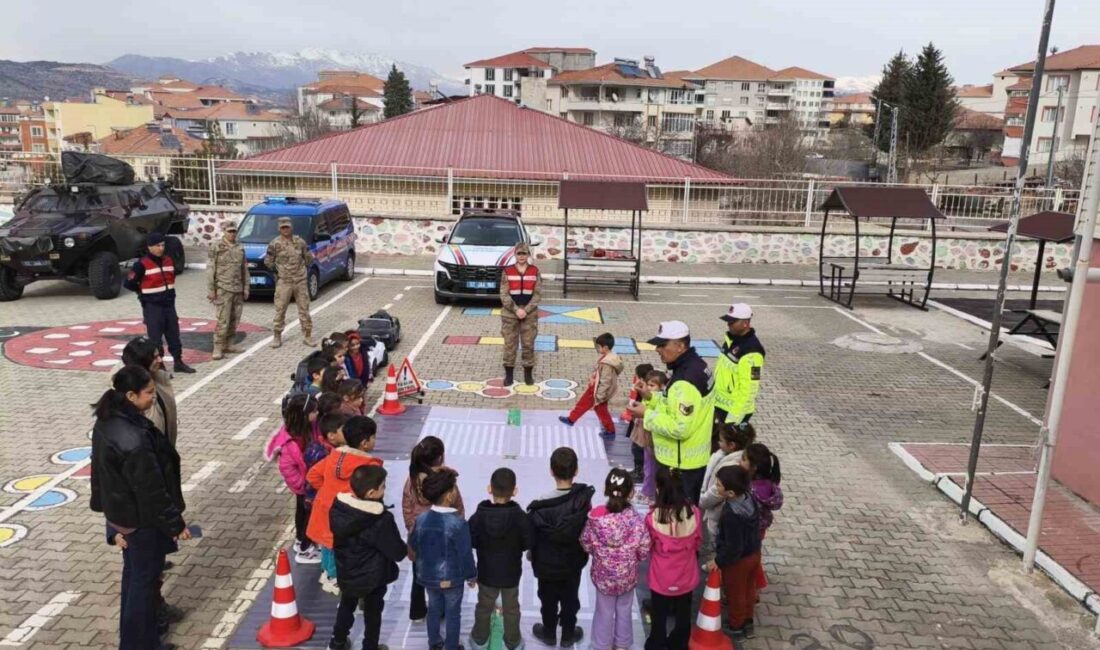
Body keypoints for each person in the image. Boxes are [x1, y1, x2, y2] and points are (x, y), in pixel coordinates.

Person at [90, 365, 191, 650]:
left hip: (124, 518)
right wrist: (176, 524)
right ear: (131, 395)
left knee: (134, 581)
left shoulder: (107, 422)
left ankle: (145, 640)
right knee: (142, 588)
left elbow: (99, 476)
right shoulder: (133, 438)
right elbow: (152, 490)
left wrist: (110, 523)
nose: (152, 398)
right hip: (141, 522)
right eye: (149, 393)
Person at [626, 321, 714, 504]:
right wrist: (650, 396)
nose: (658, 349)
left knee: (674, 523)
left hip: (681, 466)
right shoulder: (691, 366)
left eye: (662, 345)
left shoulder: (686, 380)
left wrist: (646, 415)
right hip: (685, 462)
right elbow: (671, 403)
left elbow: (680, 427)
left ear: (680, 346)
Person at [328, 465, 406, 650]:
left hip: (347, 571)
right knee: (373, 614)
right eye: (383, 487)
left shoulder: (339, 508)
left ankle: (338, 641)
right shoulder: (380, 519)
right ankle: (369, 646)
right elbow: (397, 552)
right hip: (373, 577)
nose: (385, 490)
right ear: (371, 492)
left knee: (347, 605)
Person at [527, 447, 595, 648]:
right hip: (572, 562)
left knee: (547, 599)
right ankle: (567, 634)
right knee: (570, 599)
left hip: (546, 564)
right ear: (576, 471)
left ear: (551, 471)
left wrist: (532, 553)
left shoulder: (540, 505)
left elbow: (533, 537)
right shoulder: (583, 500)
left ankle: (549, 632)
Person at [307, 415, 381, 594]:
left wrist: (326, 492)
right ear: (364, 442)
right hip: (346, 515)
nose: (375, 441)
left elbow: (312, 475)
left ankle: (326, 573)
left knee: (327, 544)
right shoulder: (368, 465)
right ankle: (333, 578)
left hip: (324, 507)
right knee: (338, 547)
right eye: (373, 437)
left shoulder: (333, 455)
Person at [579, 468, 650, 650]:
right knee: (624, 609)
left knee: (604, 610)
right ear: (631, 492)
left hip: (603, 577)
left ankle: (601, 644)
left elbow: (585, 542)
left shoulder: (596, 517)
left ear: (606, 489)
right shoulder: (635, 520)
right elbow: (643, 549)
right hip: (627, 576)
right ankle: (622, 644)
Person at [409, 469, 477, 650]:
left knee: (433, 609)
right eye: (454, 488)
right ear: (448, 495)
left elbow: (413, 543)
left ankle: (434, 643)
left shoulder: (421, 518)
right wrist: (471, 575)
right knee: (453, 614)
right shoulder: (458, 523)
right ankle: (451, 646)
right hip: (452, 578)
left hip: (427, 576)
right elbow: (465, 554)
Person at [468, 468, 536, 650]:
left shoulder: (479, 516)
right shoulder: (521, 518)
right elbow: (528, 542)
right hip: (511, 574)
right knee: (511, 609)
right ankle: (513, 641)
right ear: (515, 491)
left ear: (489, 488)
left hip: (486, 573)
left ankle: (479, 639)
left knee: (484, 607)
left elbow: (471, 540)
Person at [402, 436, 466, 622]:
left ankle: (417, 612)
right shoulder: (447, 482)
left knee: (418, 577)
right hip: (444, 539)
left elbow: (407, 507)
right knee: (442, 576)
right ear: (439, 457)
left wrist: (412, 528)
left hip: (419, 538)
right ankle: (442, 612)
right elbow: (459, 508)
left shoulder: (412, 480)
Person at [644, 467, 702, 650]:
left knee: (659, 614)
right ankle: (679, 642)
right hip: (686, 575)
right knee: (683, 614)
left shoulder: (653, 518)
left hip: (661, 577)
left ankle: (656, 642)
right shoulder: (694, 514)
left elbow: (647, 546)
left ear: (659, 489)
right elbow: (698, 543)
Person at [704, 466, 761, 640]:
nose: (716, 486)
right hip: (754, 553)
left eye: (719, 485)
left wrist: (719, 561)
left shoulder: (732, 515)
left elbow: (733, 547)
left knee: (735, 593)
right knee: (749, 588)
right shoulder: (748, 497)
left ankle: (737, 626)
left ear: (729, 493)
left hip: (738, 561)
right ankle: (748, 620)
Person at [124, 233, 194, 374]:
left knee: (174, 335)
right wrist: (141, 292)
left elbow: (171, 277)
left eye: (163, 245)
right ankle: (160, 367)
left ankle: (178, 362)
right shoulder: (141, 264)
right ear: (150, 247)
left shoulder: (169, 260)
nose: (161, 248)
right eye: (157, 246)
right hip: (153, 307)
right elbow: (128, 283)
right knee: (155, 339)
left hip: (169, 305)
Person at [268, 393, 321, 564]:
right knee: (307, 516)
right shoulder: (291, 441)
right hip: (305, 487)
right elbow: (287, 468)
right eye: (314, 411)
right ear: (304, 415)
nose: (317, 414)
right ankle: (305, 550)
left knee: (303, 513)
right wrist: (302, 485)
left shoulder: (308, 429)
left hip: (309, 484)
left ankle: (301, 541)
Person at [699, 423, 756, 565]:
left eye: (721, 440)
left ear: (731, 445)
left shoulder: (731, 467)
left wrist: (702, 501)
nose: (718, 443)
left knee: (719, 540)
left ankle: (716, 566)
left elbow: (717, 492)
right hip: (714, 508)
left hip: (716, 512)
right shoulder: (728, 455)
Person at [559, 332, 623, 437]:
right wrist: (594, 376)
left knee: (600, 410)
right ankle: (572, 419)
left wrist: (600, 396)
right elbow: (600, 372)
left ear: (605, 347)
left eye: (598, 347)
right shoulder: (609, 357)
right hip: (596, 388)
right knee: (584, 403)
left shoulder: (608, 362)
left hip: (599, 391)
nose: (597, 349)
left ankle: (610, 430)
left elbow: (606, 380)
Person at [265, 216, 315, 349]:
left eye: (287, 227)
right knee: (280, 309)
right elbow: (268, 261)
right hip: (284, 282)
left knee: (304, 309)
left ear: (291, 227)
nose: (285, 229)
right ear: (279, 228)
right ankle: (277, 336)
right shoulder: (274, 244)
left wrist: (303, 270)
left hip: (300, 281)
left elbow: (309, 258)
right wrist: (279, 272)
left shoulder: (300, 242)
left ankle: (307, 335)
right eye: (283, 227)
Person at [118, 336, 178, 447]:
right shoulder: (125, 393)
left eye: (159, 355)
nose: (160, 360)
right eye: (154, 357)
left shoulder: (159, 379)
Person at [714, 303, 765, 430]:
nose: (728, 324)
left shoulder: (752, 352)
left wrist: (734, 419)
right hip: (721, 406)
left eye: (732, 322)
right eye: (728, 321)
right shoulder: (731, 340)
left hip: (735, 411)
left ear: (745, 323)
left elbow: (750, 390)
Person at [498, 242, 542, 386]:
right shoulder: (508, 271)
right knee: (510, 344)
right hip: (510, 313)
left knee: (528, 344)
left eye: (524, 253)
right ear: (515, 255)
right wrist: (516, 309)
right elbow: (504, 294)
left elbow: (537, 294)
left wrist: (526, 310)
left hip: (529, 314)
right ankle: (509, 375)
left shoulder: (535, 271)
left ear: (528, 255)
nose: (522, 256)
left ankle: (528, 375)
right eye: (519, 254)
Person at [206, 220, 250, 360]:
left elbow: (244, 269)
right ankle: (218, 346)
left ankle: (229, 344)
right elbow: (210, 268)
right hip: (223, 288)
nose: (232, 234)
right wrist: (211, 289)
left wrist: (246, 287)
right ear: (224, 232)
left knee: (235, 319)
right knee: (222, 320)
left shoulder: (240, 248)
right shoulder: (216, 247)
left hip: (237, 288)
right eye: (229, 231)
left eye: (234, 231)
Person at [634, 370, 667, 506]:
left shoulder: (661, 401)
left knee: (651, 467)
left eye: (653, 385)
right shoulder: (648, 397)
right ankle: (650, 491)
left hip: (654, 440)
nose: (649, 388)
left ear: (662, 387)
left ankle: (648, 493)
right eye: (648, 385)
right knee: (649, 466)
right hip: (647, 438)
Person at [624, 363, 654, 482]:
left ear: (641, 378)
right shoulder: (644, 390)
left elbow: (636, 405)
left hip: (641, 425)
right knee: (638, 447)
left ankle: (639, 471)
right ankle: (640, 469)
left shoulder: (645, 392)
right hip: (638, 423)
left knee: (638, 448)